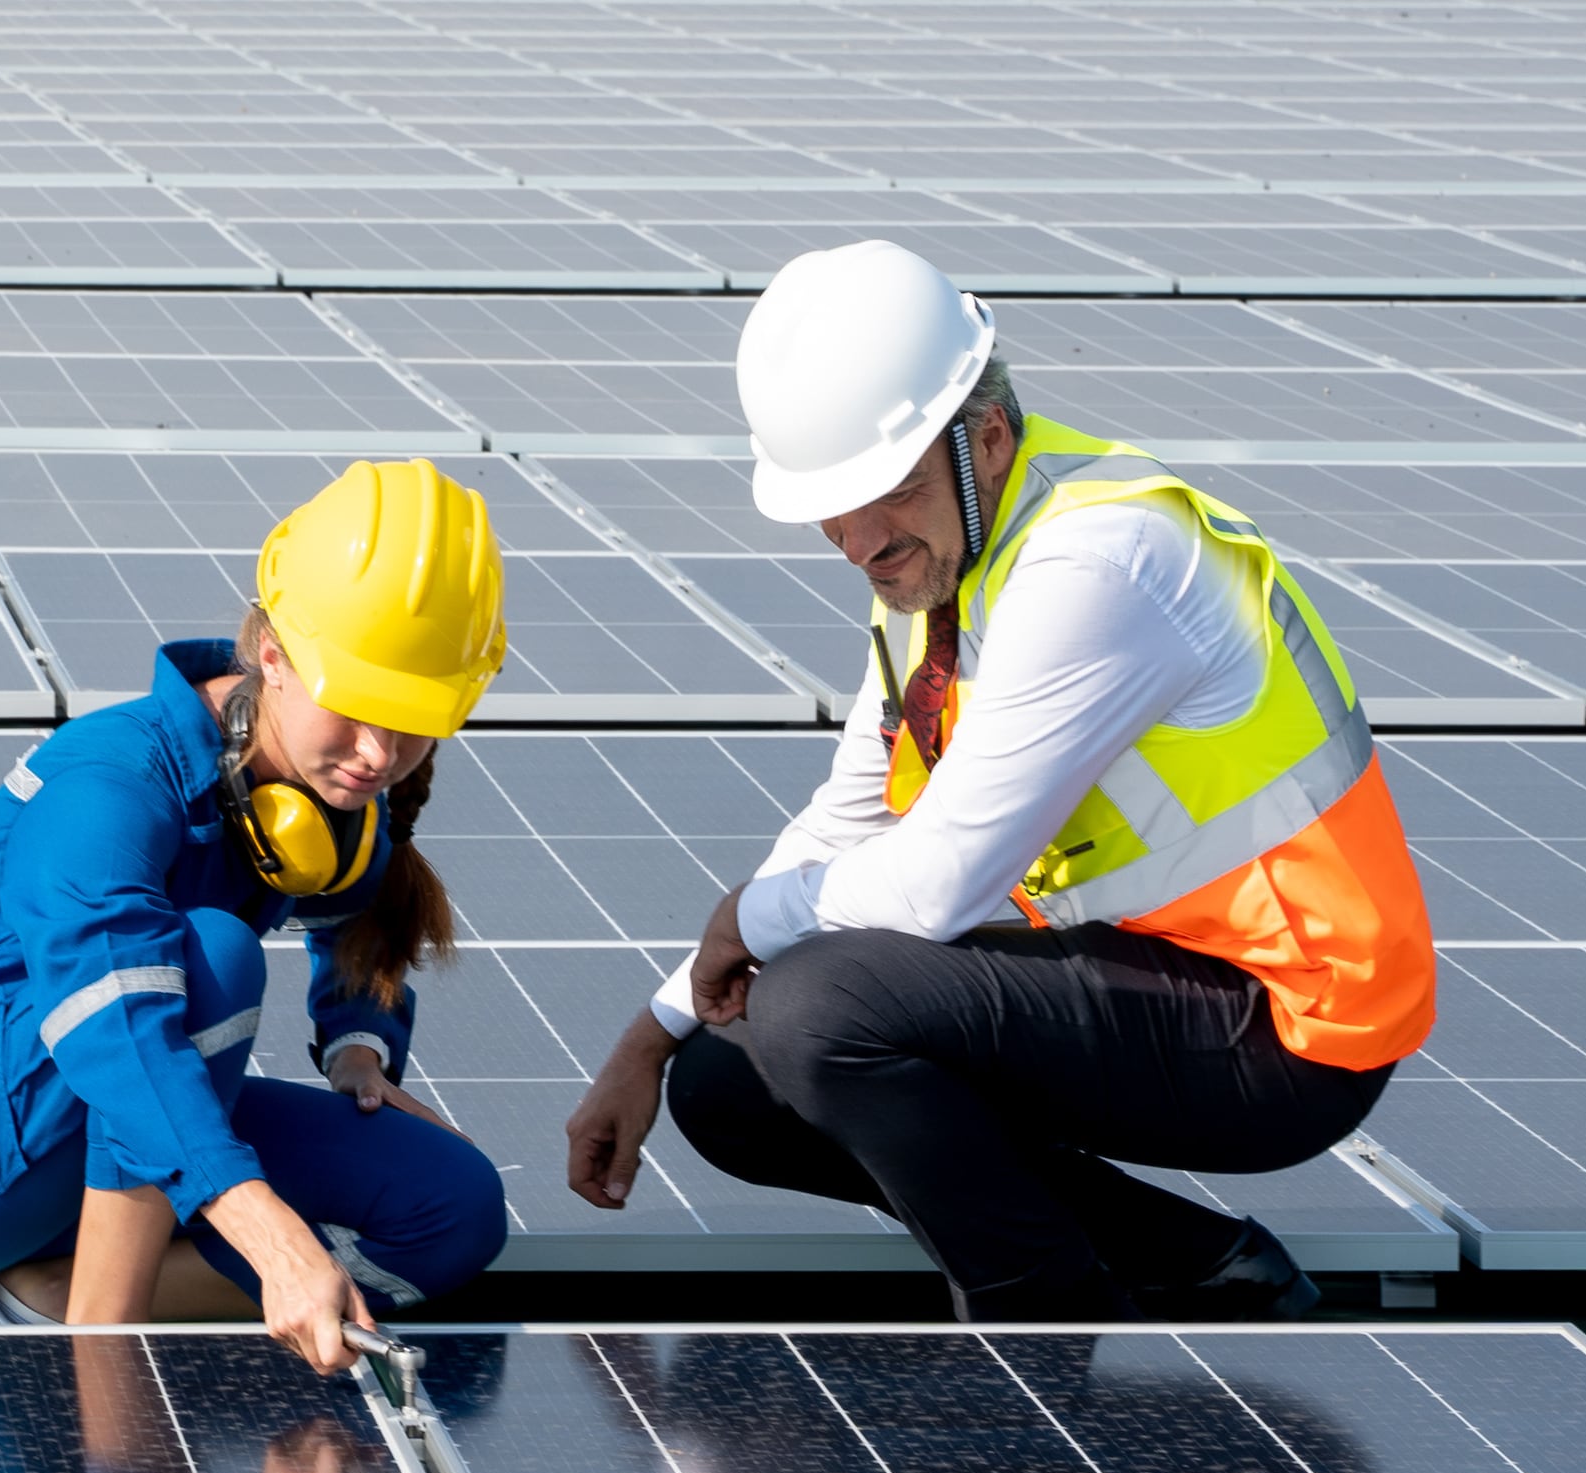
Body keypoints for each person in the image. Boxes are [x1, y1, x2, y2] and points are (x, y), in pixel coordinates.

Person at [565, 242, 1437, 1320]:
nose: (855, 541)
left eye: (883, 494)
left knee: (816, 1009)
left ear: (983, 438)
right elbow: (850, 812)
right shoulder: (939, 558)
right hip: (1140, 979)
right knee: (726, 1079)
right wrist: (652, 1033)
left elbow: (935, 887)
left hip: (1285, 1020)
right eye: (827, 511)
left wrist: (739, 917)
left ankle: (1034, 1322)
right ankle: (1189, 1261)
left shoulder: (1098, 563)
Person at [0, 459, 515, 1372]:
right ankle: (98, 1374)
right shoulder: (108, 785)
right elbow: (116, 1027)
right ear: (271, 653)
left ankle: (30, 1297)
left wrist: (359, 1047)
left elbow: (357, 917)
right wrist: (268, 1233)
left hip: (121, 1119)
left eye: (416, 720)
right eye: (356, 708)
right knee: (210, 956)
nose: (379, 753)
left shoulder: (331, 794)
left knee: (452, 1207)